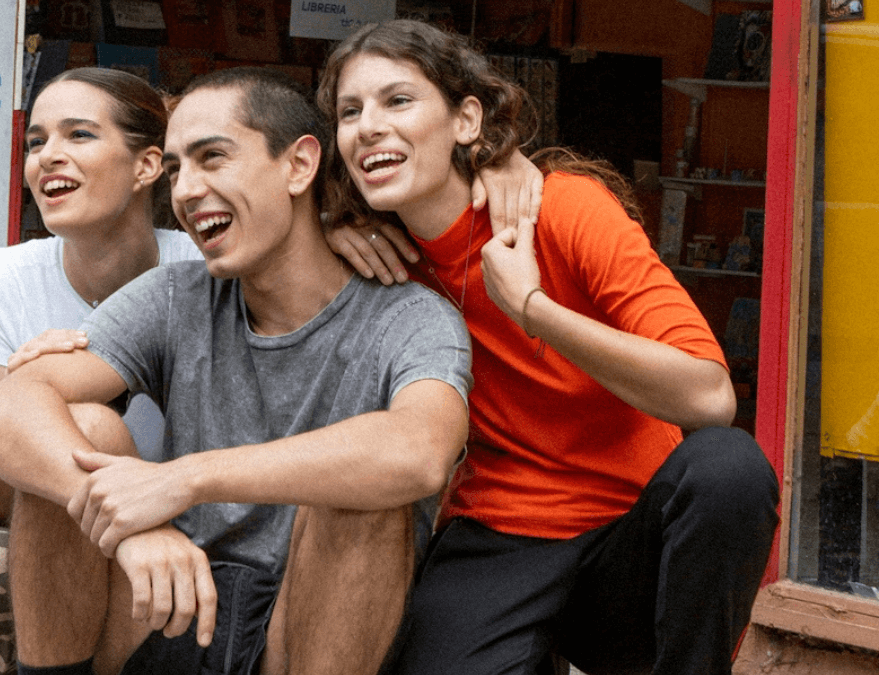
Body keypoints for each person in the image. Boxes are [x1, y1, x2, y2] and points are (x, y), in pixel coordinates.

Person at [0, 64, 535, 675]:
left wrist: (184, 481)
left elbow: (419, 451)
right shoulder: (177, 294)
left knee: (363, 492)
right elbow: (9, 409)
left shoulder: (409, 316)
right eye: (177, 170)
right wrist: (129, 526)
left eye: (213, 158)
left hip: (309, 619)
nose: (183, 191)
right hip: (170, 603)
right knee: (87, 429)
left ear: (299, 164)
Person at [317, 19, 780, 675]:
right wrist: (324, 221)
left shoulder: (564, 210)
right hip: (499, 532)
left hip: (630, 544)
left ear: (465, 119)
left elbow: (709, 396)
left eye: (397, 100)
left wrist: (535, 311)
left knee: (728, 468)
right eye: (349, 111)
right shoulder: (375, 257)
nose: (367, 125)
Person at [0, 67, 201, 675]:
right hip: (23, 523)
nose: (49, 158)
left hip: (177, 516)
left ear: (148, 166)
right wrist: (36, 400)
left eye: (79, 136)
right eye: (37, 141)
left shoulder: (206, 273)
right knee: (85, 429)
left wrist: (359, 229)